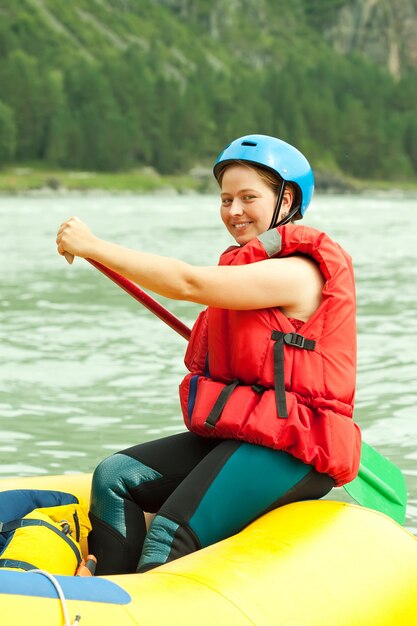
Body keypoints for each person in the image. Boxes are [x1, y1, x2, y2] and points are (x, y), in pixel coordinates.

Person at [56, 134, 361, 575]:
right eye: (225, 199)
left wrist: (94, 246)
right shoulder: (249, 270)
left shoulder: (298, 272)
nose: (233, 211)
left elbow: (187, 284)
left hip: (294, 446)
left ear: (287, 198)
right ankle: (103, 591)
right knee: (114, 476)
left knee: (168, 532)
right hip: (253, 434)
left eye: (248, 197)